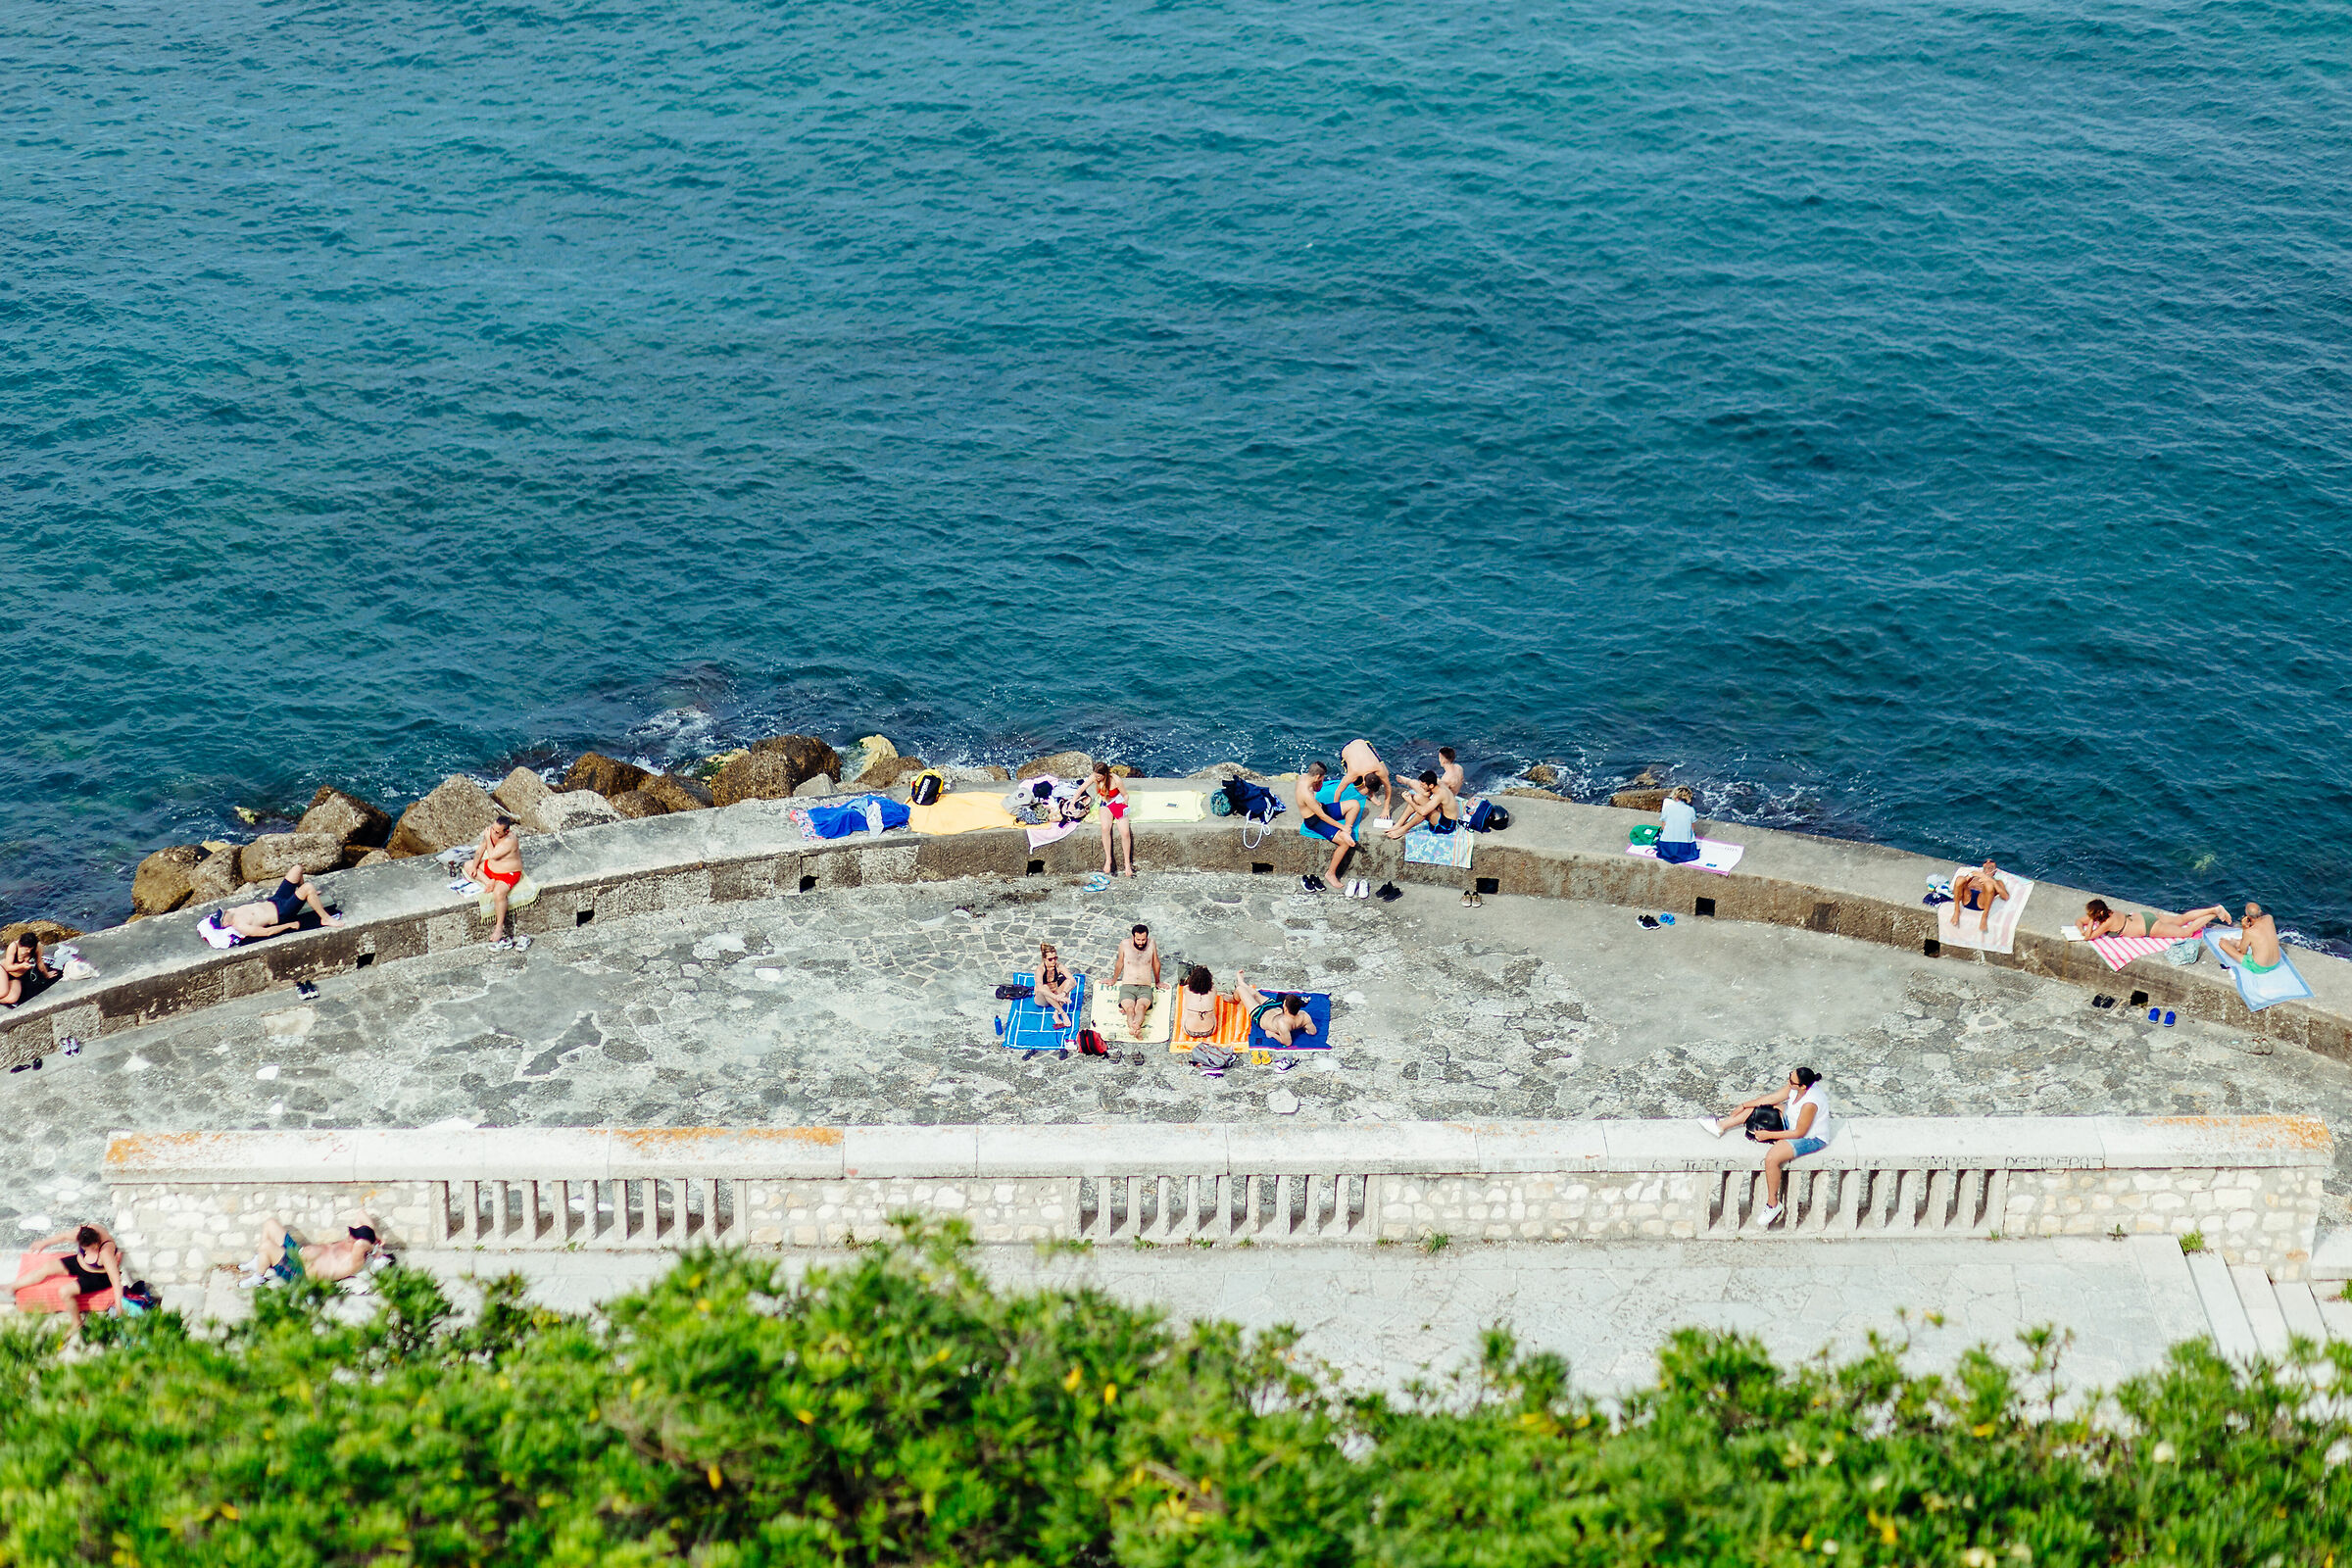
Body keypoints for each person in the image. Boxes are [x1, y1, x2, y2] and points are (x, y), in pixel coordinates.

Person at [1696, 1068, 1834, 1225]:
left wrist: (1768, 1134)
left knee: (1772, 1158)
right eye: (1789, 1076)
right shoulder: (1795, 1087)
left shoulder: (1810, 1103)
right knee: (1757, 1109)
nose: (1789, 1082)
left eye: (1792, 1081)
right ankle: (1720, 1126)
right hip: (1792, 1120)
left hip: (1810, 1137)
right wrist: (1744, 1105)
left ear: (1802, 1086)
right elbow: (1774, 1097)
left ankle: (1773, 1204)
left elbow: (1799, 1133)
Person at [19, 1223, 125, 1321]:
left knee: (64, 1292)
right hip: (79, 1264)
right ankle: (12, 1287)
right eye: (85, 1249)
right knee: (47, 1267)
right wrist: (43, 1243)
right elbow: (64, 1237)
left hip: (96, 1276)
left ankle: (76, 1323)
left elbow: (116, 1281)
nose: (87, 1252)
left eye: (90, 1249)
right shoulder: (83, 1233)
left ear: (96, 1244)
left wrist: (119, 1309)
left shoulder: (105, 1252)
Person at [244, 1212, 383, 1288]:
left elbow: (361, 1245)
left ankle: (258, 1277)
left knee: (266, 1246)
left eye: (352, 1237)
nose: (348, 1237)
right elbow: (361, 1214)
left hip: (297, 1271)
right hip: (296, 1252)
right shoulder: (352, 1242)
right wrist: (377, 1236)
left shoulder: (354, 1259)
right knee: (270, 1223)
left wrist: (375, 1249)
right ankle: (260, 1260)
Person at [220, 868, 344, 942]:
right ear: (225, 924)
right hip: (282, 913)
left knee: (297, 869)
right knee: (308, 887)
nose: (225, 912)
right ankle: (326, 918)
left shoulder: (232, 910)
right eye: (223, 916)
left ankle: (309, 896)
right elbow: (268, 932)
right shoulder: (242, 927)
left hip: (275, 900)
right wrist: (289, 925)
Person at [1294, 761, 1359, 888]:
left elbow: (1317, 790)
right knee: (1345, 843)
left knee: (1354, 804)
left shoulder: (1304, 777)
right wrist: (1341, 827)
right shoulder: (1306, 794)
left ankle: (1347, 831)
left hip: (1319, 808)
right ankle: (1330, 874)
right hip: (1315, 820)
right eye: (1322, 778)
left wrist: (1346, 829)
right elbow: (1322, 817)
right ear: (1318, 776)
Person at [465, 814, 526, 948]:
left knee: (499, 893)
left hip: (508, 873)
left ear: (507, 831)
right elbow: (481, 850)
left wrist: (488, 837)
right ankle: (488, 882)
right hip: (491, 869)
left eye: (498, 832)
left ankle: (498, 928)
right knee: (468, 865)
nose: (494, 833)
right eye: (493, 829)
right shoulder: (492, 833)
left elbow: (492, 855)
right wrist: (475, 866)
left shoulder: (510, 839)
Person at [2076, 899, 2231, 942]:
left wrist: (2089, 924)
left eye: (2092, 915)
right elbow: (2078, 921)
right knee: (2181, 919)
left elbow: (2089, 937)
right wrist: (2083, 926)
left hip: (2149, 927)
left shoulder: (2107, 922)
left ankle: (2214, 913)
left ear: (2098, 913)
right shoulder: (2111, 913)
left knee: (2187, 932)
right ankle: (2213, 909)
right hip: (2145, 916)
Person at [1237, 971, 1317, 1047]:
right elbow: (1312, 1032)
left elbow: (1287, 1043)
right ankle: (1242, 983)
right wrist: (1305, 1028)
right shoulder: (1304, 1015)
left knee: (1240, 989)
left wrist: (1272, 1034)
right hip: (1274, 1008)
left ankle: (1233, 999)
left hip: (1260, 1015)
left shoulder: (1283, 1024)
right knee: (1256, 995)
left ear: (1285, 1009)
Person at [1109, 923, 1160, 1040]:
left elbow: (1156, 963)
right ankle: (1135, 1028)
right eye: (1138, 939)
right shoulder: (1124, 944)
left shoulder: (1151, 944)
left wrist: (1157, 981)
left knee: (1141, 1007)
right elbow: (1120, 963)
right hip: (1128, 985)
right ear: (1133, 937)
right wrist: (1113, 980)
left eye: (1143, 939)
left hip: (1145, 986)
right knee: (1130, 1009)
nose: (1141, 942)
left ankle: (1135, 1027)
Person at [1385, 769, 1461, 839]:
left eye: (1423, 785)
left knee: (1423, 812)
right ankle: (1399, 824)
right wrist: (1412, 797)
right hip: (1441, 815)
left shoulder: (1440, 794)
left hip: (1446, 825)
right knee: (1417, 797)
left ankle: (1403, 830)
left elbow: (1423, 812)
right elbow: (1425, 796)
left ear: (1431, 785)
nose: (1421, 786)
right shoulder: (1436, 783)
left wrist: (1410, 801)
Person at [1945, 859, 2013, 936]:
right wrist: (1971, 875)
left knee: (1988, 885)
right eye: (1985, 862)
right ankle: (1957, 911)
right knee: (1959, 878)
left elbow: (2006, 897)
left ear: (1995, 870)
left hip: (1982, 901)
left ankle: (1984, 916)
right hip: (1968, 896)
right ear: (1982, 867)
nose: (1988, 862)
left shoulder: (1997, 882)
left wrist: (1991, 881)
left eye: (1991, 861)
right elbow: (1957, 887)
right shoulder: (1974, 876)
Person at [1093, 762, 1135, 878]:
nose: (1096, 778)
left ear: (1105, 774)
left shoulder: (1116, 780)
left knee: (1125, 832)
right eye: (1095, 776)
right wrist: (1072, 803)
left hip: (1117, 803)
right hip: (1105, 804)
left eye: (1099, 776)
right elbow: (1082, 788)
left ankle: (1127, 863)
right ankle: (1108, 859)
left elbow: (1125, 795)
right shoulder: (1096, 777)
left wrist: (1124, 803)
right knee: (1105, 828)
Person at [0, 931, 63, 1007]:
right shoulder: (13, 946)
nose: (29, 951)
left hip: (17, 978)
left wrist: (47, 975)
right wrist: (21, 966)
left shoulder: (38, 946)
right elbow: (8, 967)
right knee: (3, 992)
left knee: (12, 998)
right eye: (26, 949)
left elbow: (40, 963)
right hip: (4, 970)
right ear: (20, 945)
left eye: (31, 949)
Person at [2219, 903, 2286, 973]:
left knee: (2222, 943)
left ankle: (2234, 943)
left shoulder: (2249, 932)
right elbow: (2260, 931)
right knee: (2249, 941)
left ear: (2248, 916)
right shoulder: (2269, 918)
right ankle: (2236, 942)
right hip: (2276, 963)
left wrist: (2245, 928)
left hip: (2259, 967)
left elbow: (2243, 952)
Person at [1340, 739, 1395, 820]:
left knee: (1386, 773)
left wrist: (1386, 809)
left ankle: (1371, 792)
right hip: (1347, 750)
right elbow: (1339, 791)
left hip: (1363, 743)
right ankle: (1371, 795)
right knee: (1363, 792)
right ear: (1364, 782)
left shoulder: (1379, 769)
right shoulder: (1352, 774)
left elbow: (1388, 787)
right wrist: (1337, 810)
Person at [1033, 942, 1077, 1029]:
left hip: (1055, 995)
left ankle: (1055, 1014)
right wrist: (1057, 997)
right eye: (1050, 959)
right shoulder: (1040, 969)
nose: (1053, 961)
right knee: (1045, 988)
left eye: (1055, 958)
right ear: (1044, 959)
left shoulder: (1059, 966)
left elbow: (1073, 981)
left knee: (1068, 982)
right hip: (1042, 999)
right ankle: (1062, 1013)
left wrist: (1063, 993)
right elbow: (1040, 988)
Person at [1655, 786, 1701, 865]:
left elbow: (1663, 827)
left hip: (1667, 847)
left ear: (1675, 796)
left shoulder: (1668, 808)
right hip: (1684, 848)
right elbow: (1692, 830)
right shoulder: (1691, 810)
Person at [1175, 964, 1220, 1044]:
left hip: (1189, 1030)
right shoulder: (1213, 990)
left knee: (1186, 1008)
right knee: (1212, 1010)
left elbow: (1187, 986)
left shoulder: (1187, 989)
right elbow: (1212, 986)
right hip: (1210, 1030)